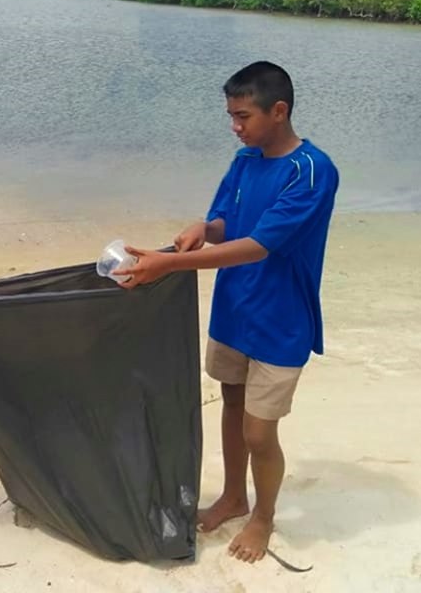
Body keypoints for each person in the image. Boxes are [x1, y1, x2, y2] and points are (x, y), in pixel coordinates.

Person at [116, 61, 339, 564]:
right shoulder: (244, 161)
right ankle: (234, 496)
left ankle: (263, 516)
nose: (235, 127)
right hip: (234, 308)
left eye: (243, 116)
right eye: (231, 116)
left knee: (260, 431)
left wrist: (169, 264)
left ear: (278, 111)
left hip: (281, 320)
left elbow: (260, 245)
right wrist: (202, 227)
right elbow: (227, 223)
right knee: (232, 403)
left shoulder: (312, 171)